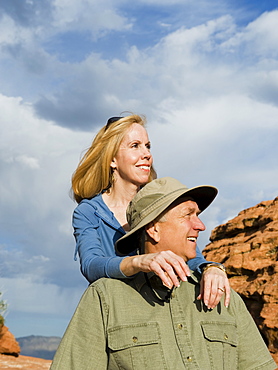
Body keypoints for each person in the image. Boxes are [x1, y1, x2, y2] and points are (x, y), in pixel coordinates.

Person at [51, 177, 276, 370]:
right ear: (153, 229)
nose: (200, 226)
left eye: (197, 214)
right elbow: (90, 262)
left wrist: (211, 266)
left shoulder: (221, 295)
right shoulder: (105, 299)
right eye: (188, 215)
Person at [72, 114, 230, 309]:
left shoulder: (161, 203)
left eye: (148, 146)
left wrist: (211, 268)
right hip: (117, 309)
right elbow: (91, 265)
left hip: (163, 307)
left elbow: (190, 254)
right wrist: (140, 261)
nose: (147, 154)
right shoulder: (89, 212)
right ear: (112, 159)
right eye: (135, 146)